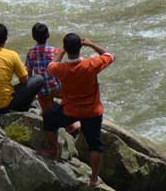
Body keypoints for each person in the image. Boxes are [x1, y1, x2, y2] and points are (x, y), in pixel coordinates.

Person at [42, 35, 114, 187]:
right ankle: (94, 179)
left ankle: (53, 150)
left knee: (48, 118)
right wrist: (91, 44)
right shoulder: (91, 64)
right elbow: (109, 55)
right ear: (80, 47)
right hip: (92, 112)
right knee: (95, 145)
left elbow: (51, 65)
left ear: (66, 49)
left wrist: (61, 52)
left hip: (70, 111)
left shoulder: (61, 69)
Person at [0, 23, 43, 112]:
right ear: (6, 38)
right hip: (2, 105)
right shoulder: (12, 55)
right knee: (39, 79)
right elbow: (24, 80)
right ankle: (23, 108)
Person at [24, 23, 62, 114]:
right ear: (48, 35)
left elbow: (28, 73)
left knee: (47, 113)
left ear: (33, 37)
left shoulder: (30, 53)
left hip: (41, 91)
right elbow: (61, 71)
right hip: (56, 88)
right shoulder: (56, 51)